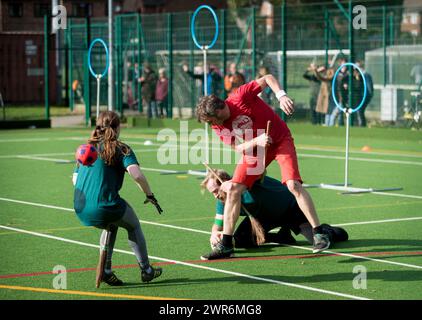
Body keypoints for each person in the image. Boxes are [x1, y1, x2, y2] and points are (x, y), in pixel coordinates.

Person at [196, 74, 331, 260]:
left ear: (219, 110)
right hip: (256, 148)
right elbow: (238, 147)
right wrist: (257, 140)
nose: (211, 125)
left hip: (280, 140)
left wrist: (281, 95)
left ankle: (319, 233)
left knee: (293, 185)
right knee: (234, 188)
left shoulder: (240, 96)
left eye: (211, 120)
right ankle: (226, 245)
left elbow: (267, 78)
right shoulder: (217, 126)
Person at [73, 111, 163, 286]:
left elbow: (75, 180)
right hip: (105, 206)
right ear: (117, 127)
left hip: (80, 206)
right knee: (133, 225)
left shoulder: (86, 148)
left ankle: (106, 270)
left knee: (112, 223)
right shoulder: (121, 148)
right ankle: (146, 270)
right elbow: (136, 175)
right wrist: (149, 195)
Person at [201, 169, 348, 252]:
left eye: (216, 190)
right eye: (212, 193)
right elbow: (218, 225)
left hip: (289, 207)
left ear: (226, 182)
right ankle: (280, 237)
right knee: (240, 240)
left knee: (313, 239)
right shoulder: (222, 200)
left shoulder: (246, 181)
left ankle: (327, 230)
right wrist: (214, 234)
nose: (216, 195)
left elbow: (260, 170)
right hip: (264, 217)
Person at [354, 60, 373, 127]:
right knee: (360, 110)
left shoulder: (365, 75)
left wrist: (368, 96)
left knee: (360, 110)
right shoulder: (360, 76)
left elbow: (369, 88)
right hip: (363, 96)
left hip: (365, 96)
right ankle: (361, 124)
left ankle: (362, 125)